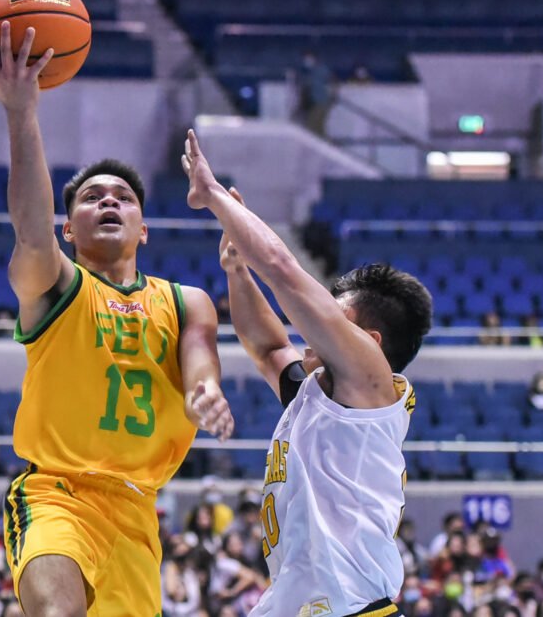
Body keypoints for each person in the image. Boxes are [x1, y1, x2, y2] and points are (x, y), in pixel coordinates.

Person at [0, 23, 233, 616]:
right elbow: (30, 227)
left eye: (123, 195)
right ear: (69, 230)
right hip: (55, 493)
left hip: (137, 509)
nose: (109, 201)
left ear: (144, 228)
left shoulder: (185, 300)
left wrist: (205, 391)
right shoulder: (58, 286)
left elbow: (200, 358)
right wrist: (22, 114)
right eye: (92, 197)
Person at [180, 128, 432, 617]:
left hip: (353, 608)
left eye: (338, 319)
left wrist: (212, 197)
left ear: (370, 345)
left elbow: (283, 269)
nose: (315, 327)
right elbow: (267, 344)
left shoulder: (372, 388)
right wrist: (237, 270)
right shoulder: (322, 395)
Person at [294, 51, 334, 136]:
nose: (307, 61)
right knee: (317, 129)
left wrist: (332, 96)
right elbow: (304, 91)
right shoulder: (306, 73)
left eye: (309, 58)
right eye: (305, 58)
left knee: (312, 127)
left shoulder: (321, 69)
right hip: (312, 104)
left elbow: (333, 81)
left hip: (321, 102)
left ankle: (327, 146)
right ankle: (327, 146)